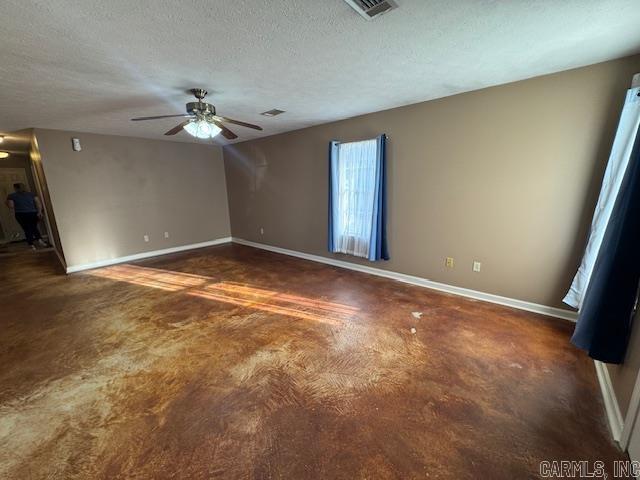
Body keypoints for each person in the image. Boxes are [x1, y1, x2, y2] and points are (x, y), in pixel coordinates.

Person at [5, 183, 47, 250]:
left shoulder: (11, 196)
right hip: (32, 213)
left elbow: (11, 206)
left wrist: (6, 202)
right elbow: (38, 203)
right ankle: (40, 240)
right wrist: (39, 212)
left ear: (15, 188)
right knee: (33, 227)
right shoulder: (31, 194)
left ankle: (31, 244)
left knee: (27, 229)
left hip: (21, 214)